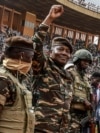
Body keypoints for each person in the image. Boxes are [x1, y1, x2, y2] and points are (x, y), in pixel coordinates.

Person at [32, 5, 74, 133]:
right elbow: (36, 46)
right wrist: (49, 19)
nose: (64, 53)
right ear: (50, 52)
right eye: (60, 49)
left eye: (67, 51)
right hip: (40, 128)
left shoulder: (68, 76)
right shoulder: (43, 66)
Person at [0, 36, 35, 133]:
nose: (31, 62)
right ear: (22, 55)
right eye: (31, 57)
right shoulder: (3, 79)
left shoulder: (18, 78)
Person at [66, 49, 93, 133]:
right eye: (84, 61)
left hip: (84, 116)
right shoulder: (70, 73)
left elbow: (88, 98)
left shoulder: (86, 78)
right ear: (77, 60)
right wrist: (82, 100)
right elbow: (65, 94)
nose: (86, 63)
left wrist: (89, 116)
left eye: (88, 62)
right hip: (72, 114)